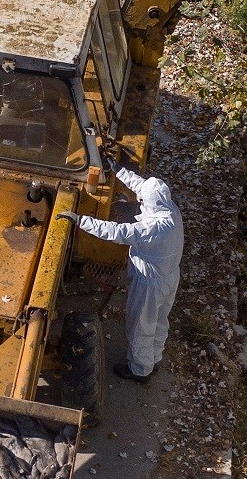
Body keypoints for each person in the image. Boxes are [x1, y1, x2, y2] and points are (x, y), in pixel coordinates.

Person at [57, 158, 184, 383]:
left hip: (149, 285)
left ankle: (139, 370)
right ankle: (153, 359)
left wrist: (80, 220)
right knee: (158, 322)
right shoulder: (170, 210)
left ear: (150, 203)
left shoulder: (153, 228)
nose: (140, 202)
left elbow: (116, 231)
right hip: (169, 278)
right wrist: (118, 169)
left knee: (141, 326)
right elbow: (141, 186)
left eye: (143, 201)